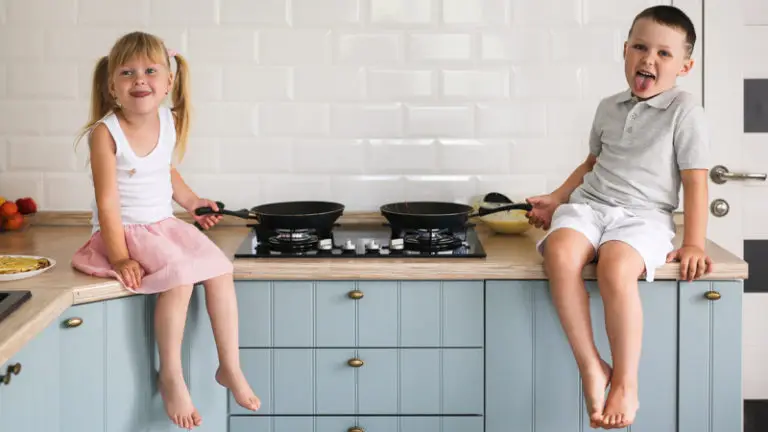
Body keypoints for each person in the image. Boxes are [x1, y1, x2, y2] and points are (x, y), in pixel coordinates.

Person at [525, 5, 712, 429]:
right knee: (559, 252)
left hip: (644, 216)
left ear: (685, 65)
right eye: (641, 48)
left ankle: (625, 382)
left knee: (615, 267)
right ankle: (591, 364)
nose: (649, 59)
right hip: (591, 205)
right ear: (624, 51)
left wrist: (695, 241)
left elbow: (696, 183)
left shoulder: (686, 113)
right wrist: (557, 198)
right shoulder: (609, 107)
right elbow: (592, 162)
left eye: (664, 54)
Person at [71, 31, 260, 429]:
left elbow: (165, 171)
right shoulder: (105, 133)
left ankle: (230, 366)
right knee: (180, 278)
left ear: (168, 81)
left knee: (220, 269)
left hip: (163, 226)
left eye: (150, 70)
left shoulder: (166, 120)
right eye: (127, 72)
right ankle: (171, 374)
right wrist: (120, 254)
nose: (140, 79)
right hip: (125, 230)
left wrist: (191, 202)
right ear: (112, 84)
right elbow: (107, 201)